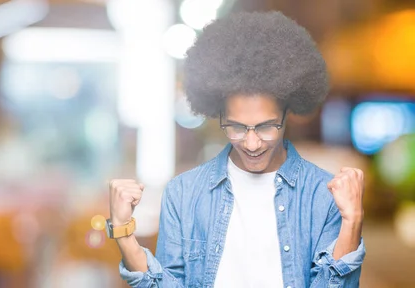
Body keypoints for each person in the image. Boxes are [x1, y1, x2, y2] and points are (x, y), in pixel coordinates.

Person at [106, 11, 365, 288]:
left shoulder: (322, 194)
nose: (251, 144)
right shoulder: (183, 193)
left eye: (266, 127)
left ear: (288, 114)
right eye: (237, 127)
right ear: (218, 115)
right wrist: (123, 232)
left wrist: (352, 220)